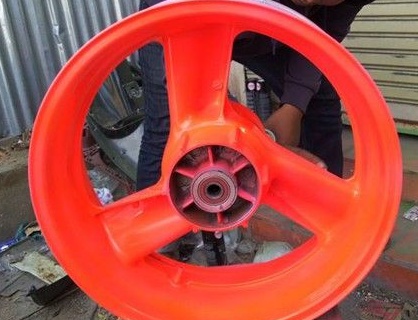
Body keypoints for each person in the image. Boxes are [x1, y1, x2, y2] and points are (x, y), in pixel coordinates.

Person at [136, 0, 375, 191]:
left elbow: (322, 36)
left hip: (266, 31)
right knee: (168, 126)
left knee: (319, 99)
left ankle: (332, 212)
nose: (310, 1)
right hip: (180, 18)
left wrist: (294, 107)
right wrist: (223, 126)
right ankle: (151, 228)